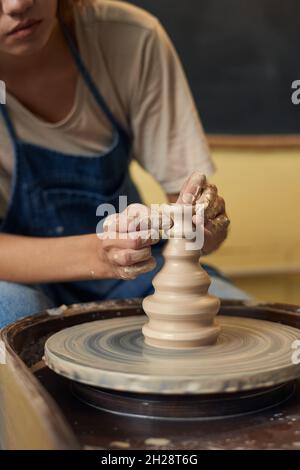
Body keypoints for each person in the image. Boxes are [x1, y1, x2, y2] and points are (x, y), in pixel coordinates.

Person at [0, 0, 248, 329]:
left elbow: (192, 219)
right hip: (19, 279)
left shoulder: (129, 38)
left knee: (242, 323)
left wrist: (205, 227)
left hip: (139, 270)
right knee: (14, 313)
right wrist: (100, 254)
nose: (19, 4)